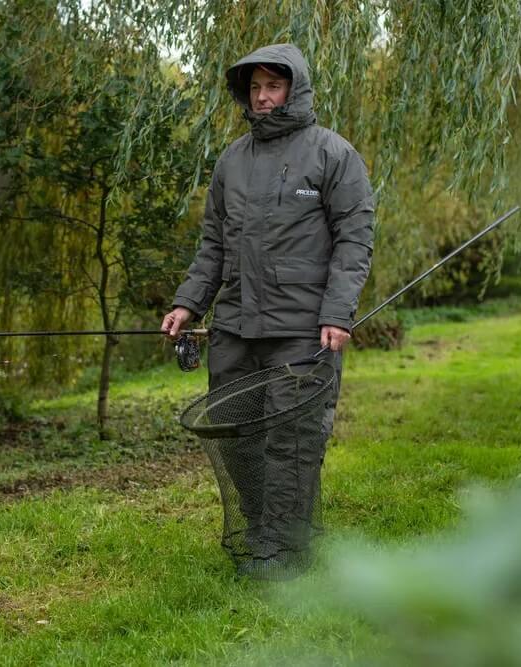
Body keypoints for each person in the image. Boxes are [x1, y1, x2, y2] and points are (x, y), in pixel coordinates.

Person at [161, 43, 375, 579]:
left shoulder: (334, 154)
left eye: (272, 87)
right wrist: (188, 303)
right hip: (235, 326)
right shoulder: (231, 161)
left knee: (293, 441)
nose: (262, 97)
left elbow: (355, 240)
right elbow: (212, 244)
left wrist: (337, 312)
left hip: (304, 330)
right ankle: (261, 533)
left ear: (294, 89)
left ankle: (283, 551)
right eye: (254, 88)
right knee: (238, 437)